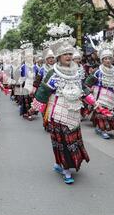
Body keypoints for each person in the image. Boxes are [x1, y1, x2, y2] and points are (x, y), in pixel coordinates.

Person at [31, 23, 92, 185]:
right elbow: (44, 91)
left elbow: (83, 88)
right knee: (63, 140)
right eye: (65, 54)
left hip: (74, 111)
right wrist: (34, 107)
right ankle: (65, 168)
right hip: (58, 112)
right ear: (58, 57)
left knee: (73, 139)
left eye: (70, 54)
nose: (68, 56)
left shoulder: (77, 70)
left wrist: (93, 102)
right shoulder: (53, 73)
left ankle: (61, 163)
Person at [85, 38, 114, 139]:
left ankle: (99, 128)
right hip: (100, 94)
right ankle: (102, 129)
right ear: (102, 60)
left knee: (109, 112)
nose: (108, 60)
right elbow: (87, 83)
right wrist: (90, 91)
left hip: (111, 95)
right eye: (105, 59)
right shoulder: (98, 71)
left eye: (109, 58)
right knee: (102, 112)